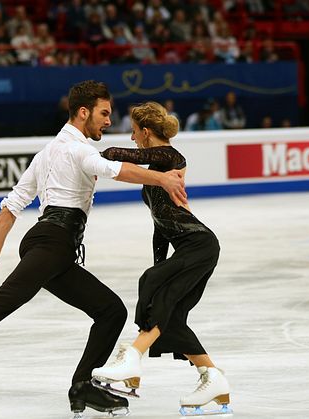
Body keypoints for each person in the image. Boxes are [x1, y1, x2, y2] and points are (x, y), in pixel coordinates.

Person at [0, 81, 188, 418]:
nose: (107, 120)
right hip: (54, 240)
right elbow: (115, 169)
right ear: (83, 112)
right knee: (12, 294)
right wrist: (163, 179)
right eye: (103, 113)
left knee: (111, 311)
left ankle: (82, 386)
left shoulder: (47, 153)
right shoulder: (78, 150)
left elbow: (12, 206)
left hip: (54, 244)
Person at [92, 102, 231, 415]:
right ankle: (213, 378)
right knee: (170, 316)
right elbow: (160, 225)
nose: (132, 137)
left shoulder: (171, 156)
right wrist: (160, 265)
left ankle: (132, 357)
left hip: (199, 243)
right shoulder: (154, 170)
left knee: (154, 287)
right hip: (188, 247)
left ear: (144, 131)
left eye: (134, 131)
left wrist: (91, 156)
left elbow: (129, 156)